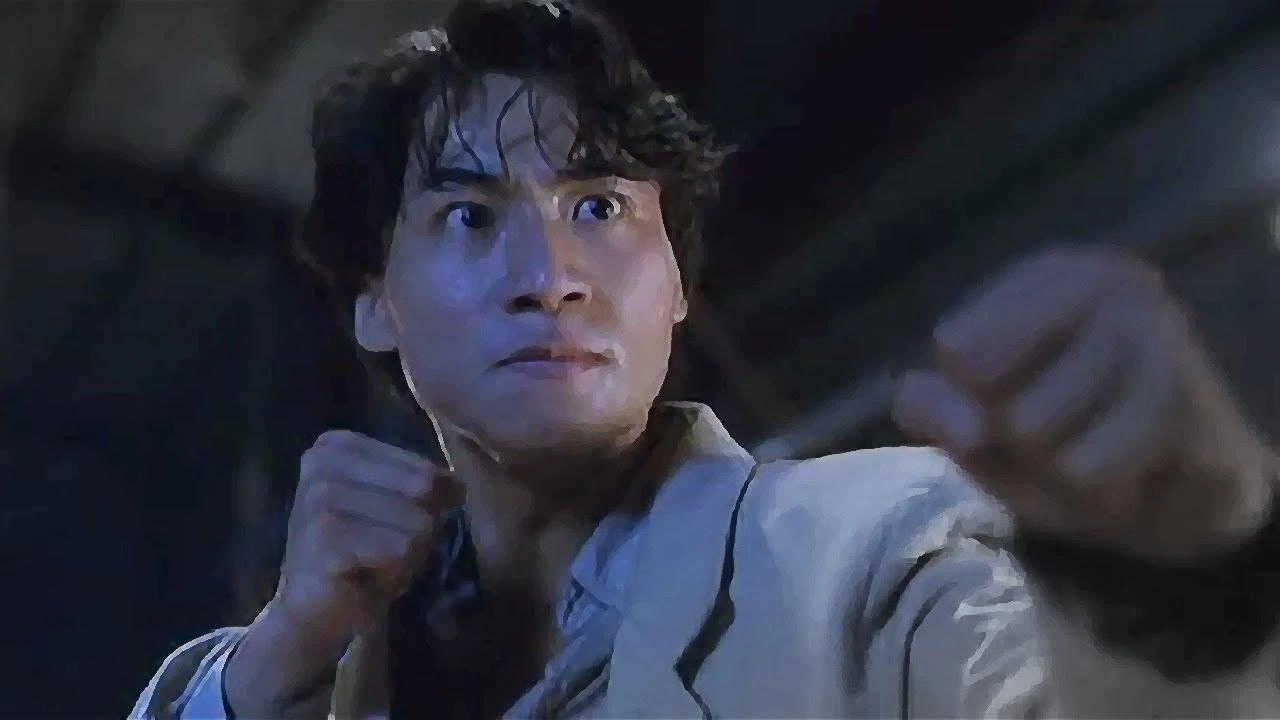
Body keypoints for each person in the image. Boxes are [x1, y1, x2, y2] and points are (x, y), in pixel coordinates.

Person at [131, 1, 1280, 718]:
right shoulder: (309, 662)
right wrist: (278, 657)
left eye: (598, 207)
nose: (550, 274)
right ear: (375, 305)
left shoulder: (872, 553)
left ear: (674, 284)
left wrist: (1171, 590)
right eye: (471, 216)